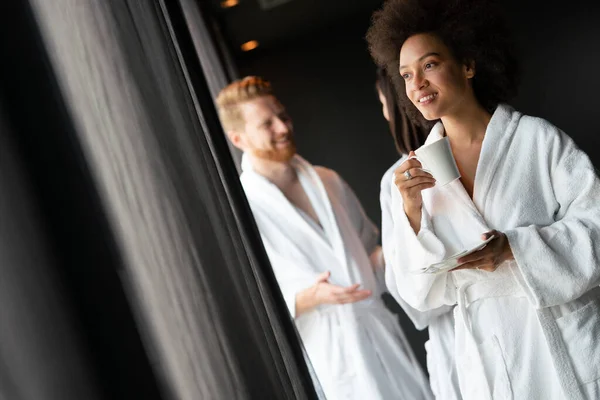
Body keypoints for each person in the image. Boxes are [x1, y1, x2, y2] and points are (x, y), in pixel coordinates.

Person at [367, 0, 600, 399]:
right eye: (406, 74)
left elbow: (595, 225)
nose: (416, 83)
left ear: (468, 65)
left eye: (429, 64)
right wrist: (412, 213)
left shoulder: (536, 139)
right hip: (488, 354)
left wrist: (516, 249)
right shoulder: (413, 174)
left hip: (557, 336)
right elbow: (418, 297)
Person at [215, 76, 433, 400]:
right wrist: (309, 297)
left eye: (282, 116)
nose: (283, 127)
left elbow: (370, 253)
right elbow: (248, 301)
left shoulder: (327, 180)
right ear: (238, 138)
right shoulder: (241, 210)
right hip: (327, 350)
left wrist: (412, 230)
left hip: (378, 333)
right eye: (267, 124)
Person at [376, 66, 463, 400]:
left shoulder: (396, 181)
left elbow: (407, 292)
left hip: (458, 330)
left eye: (383, 101)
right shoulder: (398, 184)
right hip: (457, 334)